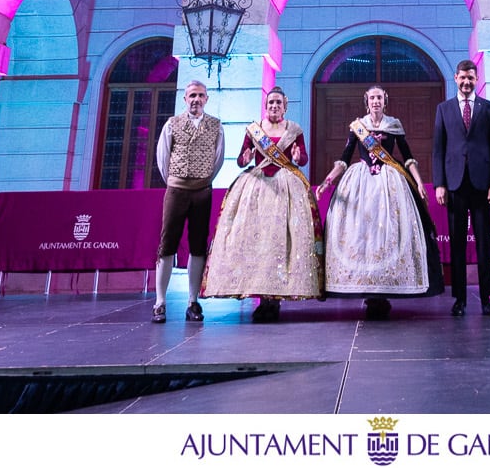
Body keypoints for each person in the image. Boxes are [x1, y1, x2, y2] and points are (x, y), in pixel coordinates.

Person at [317, 86, 443, 318]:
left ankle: (384, 290)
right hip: (361, 183)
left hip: (390, 183)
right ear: (366, 102)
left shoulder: (394, 125)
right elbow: (345, 158)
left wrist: (418, 182)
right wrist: (328, 181)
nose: (376, 101)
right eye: (372, 98)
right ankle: (367, 288)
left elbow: (408, 157)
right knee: (362, 236)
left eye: (379, 98)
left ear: (385, 101)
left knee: (389, 234)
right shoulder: (358, 126)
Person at [201, 88, 322, 320]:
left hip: (286, 188)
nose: (274, 106)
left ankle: (275, 299)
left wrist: (298, 157)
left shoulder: (294, 130)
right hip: (257, 188)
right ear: (266, 106)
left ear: (285, 106)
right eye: (271, 103)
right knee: (258, 243)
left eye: (278, 103)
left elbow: (303, 158)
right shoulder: (254, 130)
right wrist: (244, 159)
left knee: (280, 243)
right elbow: (241, 159)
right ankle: (261, 298)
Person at [432, 58, 490, 317]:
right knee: (457, 245)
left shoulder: (489, 108)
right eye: (462, 78)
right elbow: (438, 149)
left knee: (484, 244)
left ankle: (487, 299)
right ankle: (459, 299)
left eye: (470, 78)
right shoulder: (443, 109)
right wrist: (439, 184)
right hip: (454, 184)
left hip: (483, 184)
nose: (466, 82)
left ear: (476, 79)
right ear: (455, 78)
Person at [151, 81, 223, 324]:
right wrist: (175, 180)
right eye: (192, 95)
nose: (196, 100)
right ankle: (160, 302)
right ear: (185, 99)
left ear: (206, 99)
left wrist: (204, 179)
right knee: (167, 244)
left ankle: (193, 301)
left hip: (202, 191)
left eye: (201, 95)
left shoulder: (216, 126)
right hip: (176, 190)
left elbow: (218, 158)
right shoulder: (172, 124)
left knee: (198, 245)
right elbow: (162, 157)